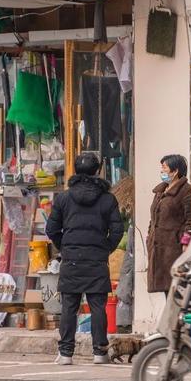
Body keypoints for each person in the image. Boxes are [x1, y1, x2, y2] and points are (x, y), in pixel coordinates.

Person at [46, 152, 124, 365]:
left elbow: (51, 228)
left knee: (69, 306)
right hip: (97, 259)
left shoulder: (63, 198)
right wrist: (105, 248)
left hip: (71, 258)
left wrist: (65, 246)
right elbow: (117, 230)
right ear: (98, 171)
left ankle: (65, 354)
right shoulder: (108, 199)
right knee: (97, 305)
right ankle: (100, 352)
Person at [147, 154, 191, 296]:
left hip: (175, 249)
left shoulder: (187, 191)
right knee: (167, 292)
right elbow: (153, 218)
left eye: (164, 167)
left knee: (177, 292)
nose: (162, 171)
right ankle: (171, 318)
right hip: (158, 250)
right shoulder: (160, 192)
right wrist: (150, 237)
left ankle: (177, 319)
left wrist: (186, 243)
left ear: (175, 171)